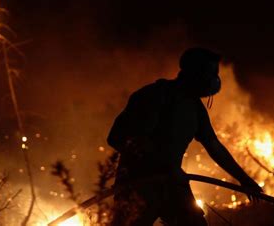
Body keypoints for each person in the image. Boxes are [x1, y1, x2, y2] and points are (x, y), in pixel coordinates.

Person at [107, 47, 262, 225]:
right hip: (137, 186)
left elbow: (214, 146)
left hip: (173, 184)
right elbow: (116, 137)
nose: (215, 79)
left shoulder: (195, 109)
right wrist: (162, 166)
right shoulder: (154, 96)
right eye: (211, 73)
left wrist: (245, 180)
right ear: (194, 73)